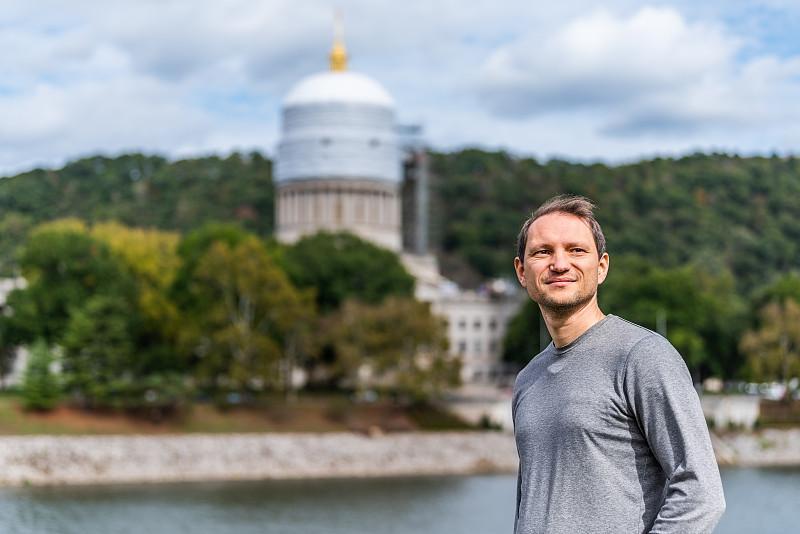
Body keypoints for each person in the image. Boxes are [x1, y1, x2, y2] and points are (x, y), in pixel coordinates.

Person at [511, 195, 725, 534]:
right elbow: (529, 504)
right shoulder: (527, 379)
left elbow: (701, 493)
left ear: (602, 267)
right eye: (543, 252)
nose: (560, 263)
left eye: (576, 250)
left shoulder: (643, 355)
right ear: (523, 271)